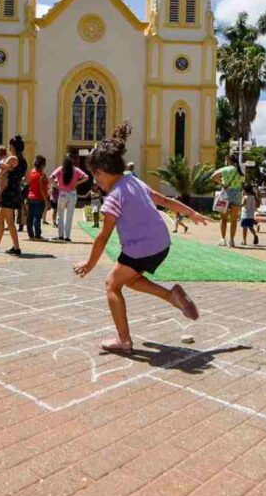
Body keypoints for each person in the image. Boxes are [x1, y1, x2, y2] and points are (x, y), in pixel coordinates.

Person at [73, 122, 205, 354]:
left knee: (112, 285)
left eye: (96, 177)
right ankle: (172, 296)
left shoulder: (113, 197)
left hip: (140, 248)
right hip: (161, 244)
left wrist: (89, 264)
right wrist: (190, 212)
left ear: (101, 172)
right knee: (130, 279)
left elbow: (103, 237)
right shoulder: (134, 180)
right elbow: (163, 199)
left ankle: (124, 341)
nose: (96, 182)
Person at [0, 135, 27, 255]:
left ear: (12, 147)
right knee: (0, 218)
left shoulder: (11, 159)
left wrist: (1, 166)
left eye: (9, 145)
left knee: (9, 221)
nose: (8, 147)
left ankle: (16, 247)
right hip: (15, 191)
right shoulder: (23, 160)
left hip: (9, 192)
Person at [50, 155, 89, 242]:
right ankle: (67, 236)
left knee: (60, 215)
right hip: (72, 193)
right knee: (70, 215)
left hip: (63, 193)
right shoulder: (76, 169)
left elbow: (50, 178)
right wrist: (77, 183)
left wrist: (57, 186)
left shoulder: (60, 169)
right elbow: (86, 177)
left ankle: (61, 235)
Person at [210, 156, 243, 247]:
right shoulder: (239, 170)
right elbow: (241, 183)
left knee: (223, 219)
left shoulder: (224, 169)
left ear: (228, 160)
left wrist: (222, 183)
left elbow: (212, 177)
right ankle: (232, 240)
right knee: (234, 220)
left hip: (225, 194)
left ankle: (222, 239)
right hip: (236, 194)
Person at [25, 155, 50, 241]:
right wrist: (46, 201)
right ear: (43, 165)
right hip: (39, 199)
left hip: (30, 197)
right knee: (37, 217)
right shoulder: (42, 175)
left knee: (29, 217)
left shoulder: (31, 172)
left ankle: (30, 235)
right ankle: (38, 235)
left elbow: (27, 182)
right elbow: (42, 190)